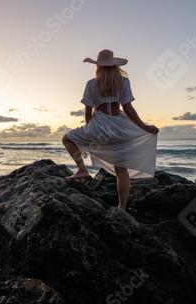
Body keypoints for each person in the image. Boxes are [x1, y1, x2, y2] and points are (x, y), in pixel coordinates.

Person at [62, 49, 159, 210]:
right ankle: (122, 208)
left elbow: (87, 111)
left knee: (67, 138)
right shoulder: (123, 81)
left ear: (98, 66)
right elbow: (128, 108)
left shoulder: (92, 83)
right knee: (121, 169)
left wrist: (91, 130)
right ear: (114, 65)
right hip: (120, 128)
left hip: (99, 126)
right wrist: (144, 127)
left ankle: (82, 169)